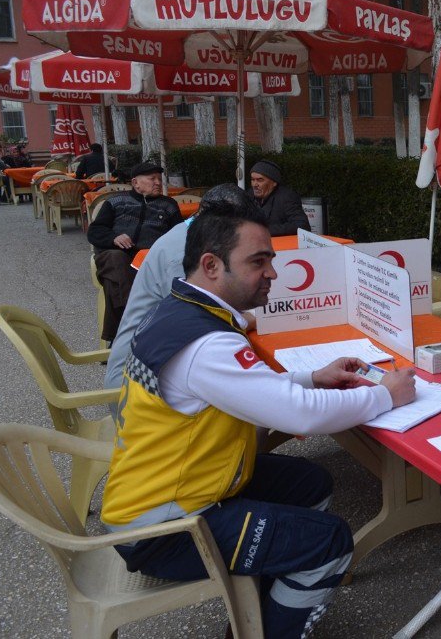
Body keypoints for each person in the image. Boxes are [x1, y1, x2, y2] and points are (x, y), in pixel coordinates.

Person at [102, 202, 416, 638]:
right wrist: (387, 394)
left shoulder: (181, 311)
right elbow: (300, 414)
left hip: (172, 489)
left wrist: (312, 377)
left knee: (310, 483)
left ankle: (261, 606)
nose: (272, 272)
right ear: (211, 265)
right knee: (329, 542)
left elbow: (237, 386)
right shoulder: (206, 344)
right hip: (166, 528)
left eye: (271, 259)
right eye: (258, 261)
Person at [103, 183, 256, 398]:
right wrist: (252, 319)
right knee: (245, 401)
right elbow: (201, 323)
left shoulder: (190, 234)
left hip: (156, 363)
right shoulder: (181, 256)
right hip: (134, 385)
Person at [88, 161, 183, 341]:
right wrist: (113, 238)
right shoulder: (115, 202)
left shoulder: (168, 205)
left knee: (114, 284)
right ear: (135, 182)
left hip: (150, 260)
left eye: (159, 178)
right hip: (116, 255)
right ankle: (138, 323)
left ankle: (118, 338)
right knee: (117, 264)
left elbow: (178, 235)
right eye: (152, 178)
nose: (158, 182)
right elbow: (95, 231)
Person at [248, 159, 310, 235]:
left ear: (274, 182)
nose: (255, 184)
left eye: (260, 180)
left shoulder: (287, 197)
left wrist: (264, 230)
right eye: (252, 180)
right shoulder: (249, 195)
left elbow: (302, 226)